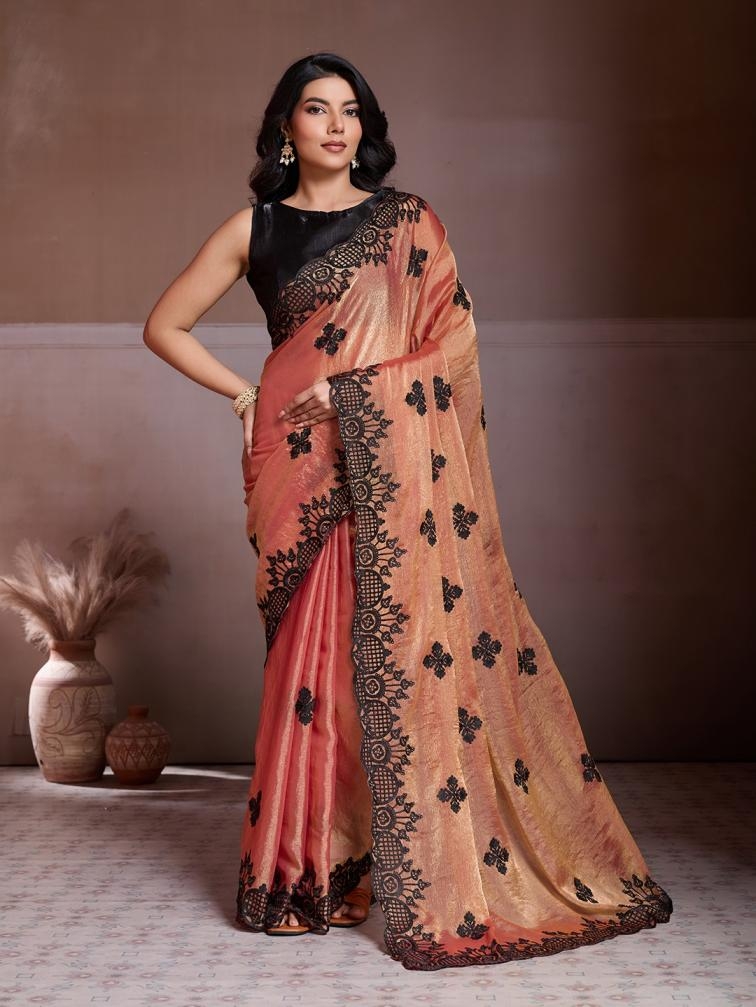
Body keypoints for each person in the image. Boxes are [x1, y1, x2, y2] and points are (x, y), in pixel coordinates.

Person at [143, 52, 673, 972]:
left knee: (384, 654)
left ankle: (376, 855)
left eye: (350, 110)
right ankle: (304, 871)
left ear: (365, 127)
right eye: (317, 109)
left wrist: (356, 392)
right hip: (298, 462)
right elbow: (163, 325)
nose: (335, 125)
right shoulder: (253, 229)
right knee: (308, 662)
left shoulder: (407, 224)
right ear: (285, 128)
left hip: (387, 459)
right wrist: (246, 397)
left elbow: (454, 346)